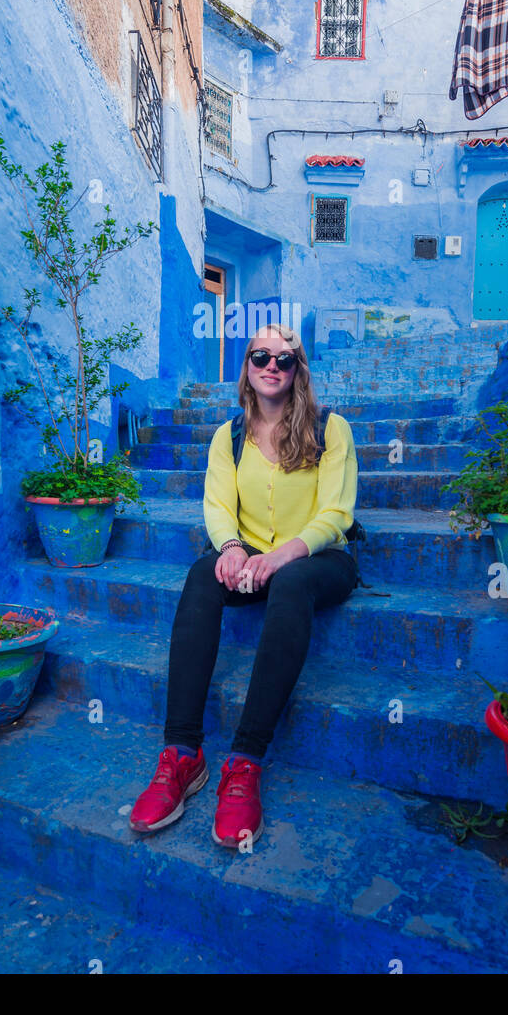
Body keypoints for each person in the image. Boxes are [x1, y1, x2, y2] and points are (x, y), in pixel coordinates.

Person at [129, 322, 359, 848]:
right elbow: (217, 506)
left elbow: (336, 514)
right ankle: (182, 756)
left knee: (293, 582)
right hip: (252, 555)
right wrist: (231, 549)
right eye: (261, 357)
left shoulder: (331, 429)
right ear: (247, 368)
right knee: (200, 575)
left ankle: (245, 763)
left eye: (285, 358)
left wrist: (280, 556)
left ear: (298, 370)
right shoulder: (227, 437)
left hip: (319, 558)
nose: (272, 366)